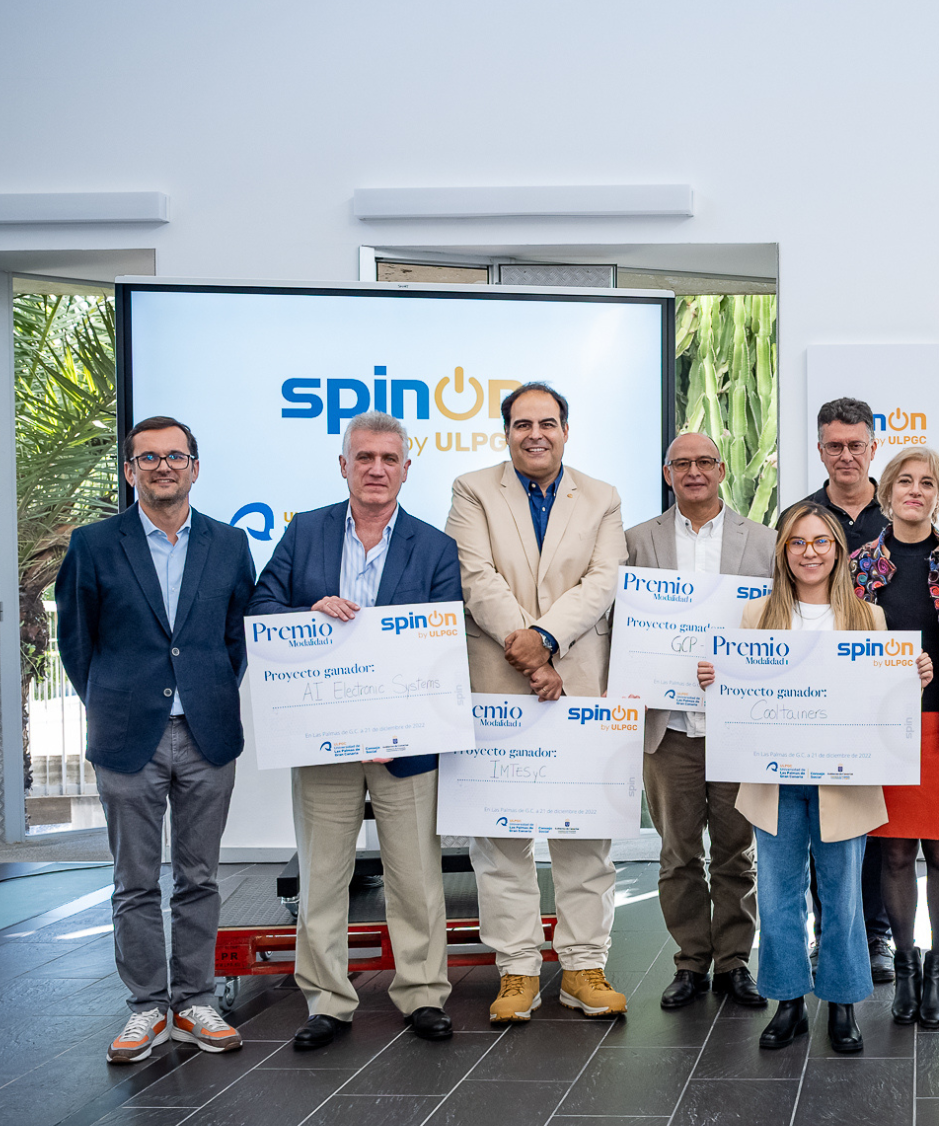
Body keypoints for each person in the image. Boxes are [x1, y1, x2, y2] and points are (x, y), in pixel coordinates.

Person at [247, 412, 461, 1050]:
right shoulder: (304, 533)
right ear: (343, 465)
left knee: (416, 876)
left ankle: (423, 994)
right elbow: (261, 612)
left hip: (406, 743)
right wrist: (306, 614)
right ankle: (328, 1001)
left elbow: (445, 638)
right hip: (323, 740)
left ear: (405, 468)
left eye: (388, 458)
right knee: (323, 873)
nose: (375, 468)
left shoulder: (434, 546)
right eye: (363, 457)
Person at [696, 502, 934, 1054]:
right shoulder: (755, 618)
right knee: (779, 895)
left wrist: (913, 673)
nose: (809, 552)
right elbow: (737, 693)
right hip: (773, 778)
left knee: (842, 895)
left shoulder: (867, 618)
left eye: (820, 542)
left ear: (837, 551)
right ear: (784, 551)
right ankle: (788, 1004)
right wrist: (714, 677)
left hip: (843, 780)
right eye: (798, 543)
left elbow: (884, 697)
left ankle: (844, 1003)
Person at [56, 416, 255, 1063]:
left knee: (199, 876)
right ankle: (146, 1008)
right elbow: (76, 643)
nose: (163, 466)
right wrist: (114, 702)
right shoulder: (92, 545)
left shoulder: (229, 544)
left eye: (176, 456)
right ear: (129, 470)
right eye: (149, 458)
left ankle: (195, 1000)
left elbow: (235, 638)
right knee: (133, 881)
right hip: (127, 737)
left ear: (194, 467)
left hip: (205, 734)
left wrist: (202, 692)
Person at [444, 381, 630, 1023]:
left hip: (577, 683)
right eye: (522, 424)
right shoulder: (472, 490)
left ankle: (583, 966)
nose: (535, 434)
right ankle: (516, 971)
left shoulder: (602, 497)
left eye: (547, 423)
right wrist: (528, 652)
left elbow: (603, 581)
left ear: (566, 430)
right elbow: (476, 576)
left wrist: (546, 642)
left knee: (584, 836)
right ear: (506, 433)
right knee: (501, 839)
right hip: (498, 681)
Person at [624, 432, 777, 1012]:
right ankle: (690, 962)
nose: (694, 472)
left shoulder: (763, 543)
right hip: (670, 728)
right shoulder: (637, 542)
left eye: (705, 462)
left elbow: (778, 625)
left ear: (721, 470)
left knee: (738, 853)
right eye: (682, 463)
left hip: (740, 726)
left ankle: (735, 962)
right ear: (668, 473)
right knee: (677, 852)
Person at [852, 446, 939, 1028]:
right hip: (882, 727)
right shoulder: (858, 565)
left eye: (927, 482)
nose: (915, 490)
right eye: (904, 481)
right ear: (886, 493)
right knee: (896, 850)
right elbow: (841, 642)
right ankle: (904, 968)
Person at [799, 396, 894, 981]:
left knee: (878, 825)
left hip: (887, 695)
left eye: (856, 444)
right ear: (820, 450)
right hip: (814, 698)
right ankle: (827, 935)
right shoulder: (802, 517)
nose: (846, 455)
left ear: (872, 447)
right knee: (823, 826)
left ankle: (876, 938)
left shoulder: (900, 508)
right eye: (834, 445)